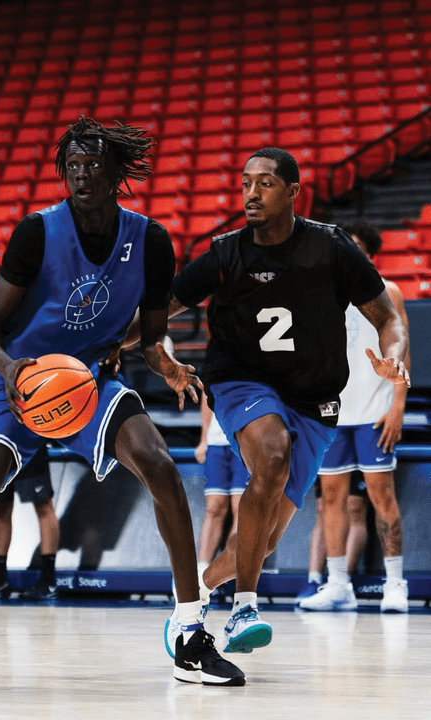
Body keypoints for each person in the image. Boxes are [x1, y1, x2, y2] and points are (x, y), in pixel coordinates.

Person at [0, 117, 244, 687]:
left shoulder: (150, 241)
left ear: (116, 173)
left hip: (86, 382)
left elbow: (148, 337)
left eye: (92, 164)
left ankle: (189, 629)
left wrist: (165, 365)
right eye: (72, 166)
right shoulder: (36, 233)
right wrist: (10, 370)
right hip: (21, 379)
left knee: (161, 466)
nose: (81, 174)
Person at [160, 147, 409, 655]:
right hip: (242, 381)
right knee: (272, 455)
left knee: (264, 537)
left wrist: (394, 357)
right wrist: (116, 345)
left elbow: (388, 318)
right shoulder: (226, 253)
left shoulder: (331, 248)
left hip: (313, 397)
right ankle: (245, 608)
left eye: (266, 183)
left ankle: (197, 594)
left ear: (294, 191)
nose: (251, 193)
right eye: (246, 183)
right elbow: (158, 309)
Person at [299, 219, 411, 613]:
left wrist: (398, 406)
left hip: (375, 412)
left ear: (370, 253)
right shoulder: (320, 293)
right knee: (331, 499)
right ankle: (337, 585)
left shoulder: (389, 292)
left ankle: (395, 583)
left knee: (382, 497)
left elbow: (404, 351)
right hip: (332, 414)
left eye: (357, 247)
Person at [0, 355, 60, 601]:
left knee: (43, 504)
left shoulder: (31, 348)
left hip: (28, 433)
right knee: (1, 507)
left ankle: (48, 579)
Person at [194, 393, 248, 585]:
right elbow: (207, 396)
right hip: (216, 442)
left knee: (241, 509)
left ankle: (229, 569)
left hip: (246, 442)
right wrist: (204, 438)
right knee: (213, 507)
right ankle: (201, 572)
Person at [296, 474, 368, 601]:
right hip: (329, 461)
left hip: (357, 463)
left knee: (354, 506)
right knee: (322, 508)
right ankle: (314, 581)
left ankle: (342, 583)